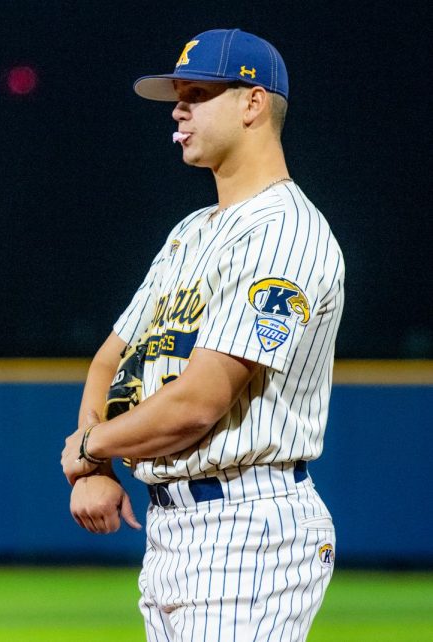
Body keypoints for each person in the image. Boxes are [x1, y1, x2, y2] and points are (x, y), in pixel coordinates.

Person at [60, 28, 343, 642]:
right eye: (177, 96)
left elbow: (199, 402)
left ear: (253, 103)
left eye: (198, 92)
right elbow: (111, 362)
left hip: (249, 523)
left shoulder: (285, 232)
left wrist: (90, 448)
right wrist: (96, 466)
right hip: (174, 528)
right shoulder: (191, 232)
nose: (179, 108)